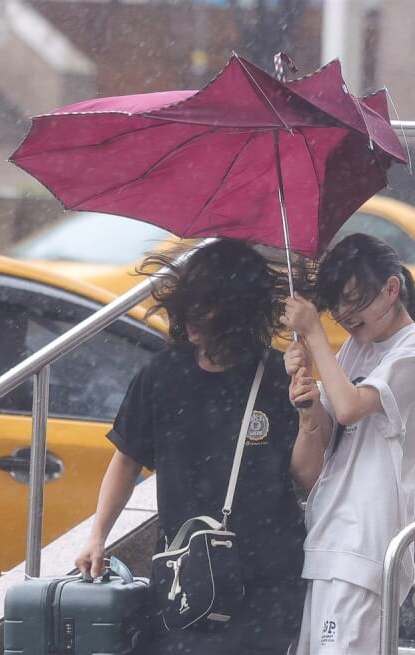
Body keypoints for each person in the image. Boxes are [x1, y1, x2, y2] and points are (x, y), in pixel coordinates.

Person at [75, 238, 307, 655]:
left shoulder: (277, 377)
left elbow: (309, 475)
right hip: (185, 579)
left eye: (207, 304)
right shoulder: (162, 374)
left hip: (265, 583)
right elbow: (127, 462)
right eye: (188, 303)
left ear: (237, 309)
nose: (191, 316)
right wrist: (97, 535)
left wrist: (310, 411)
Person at [281, 233, 415, 655]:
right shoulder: (356, 347)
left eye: (357, 308)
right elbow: (316, 457)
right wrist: (308, 397)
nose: (350, 323)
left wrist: (315, 331)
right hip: (327, 536)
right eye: (341, 316)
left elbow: (351, 407)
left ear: (392, 289)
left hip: (365, 540)